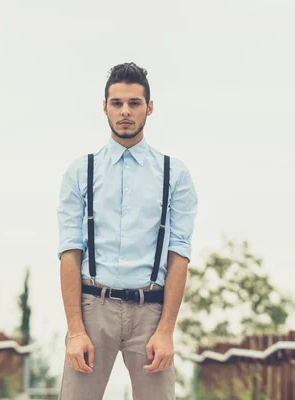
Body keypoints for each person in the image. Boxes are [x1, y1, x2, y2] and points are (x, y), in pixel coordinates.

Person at [56, 62, 198, 400]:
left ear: (149, 108)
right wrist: (75, 331)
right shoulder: (81, 171)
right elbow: (69, 252)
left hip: (151, 310)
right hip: (93, 308)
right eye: (117, 103)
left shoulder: (173, 174)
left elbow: (179, 256)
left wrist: (166, 331)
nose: (125, 111)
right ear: (104, 106)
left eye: (134, 103)